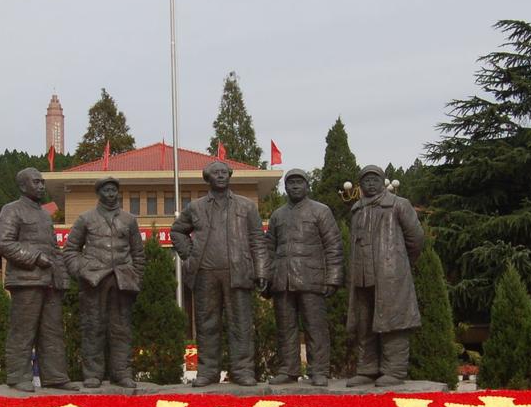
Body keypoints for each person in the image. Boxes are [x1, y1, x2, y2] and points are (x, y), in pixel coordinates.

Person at [170, 160, 269, 386]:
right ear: (208, 178)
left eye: (225, 172)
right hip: (206, 273)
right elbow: (177, 231)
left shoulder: (246, 206)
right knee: (206, 324)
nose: (221, 176)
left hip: (239, 272)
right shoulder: (195, 207)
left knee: (241, 324)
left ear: (230, 176)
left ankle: (242, 370)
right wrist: (190, 255)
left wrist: (261, 269)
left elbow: (257, 241)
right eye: (216, 173)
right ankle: (207, 371)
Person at [0, 167, 77, 393]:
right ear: (23, 186)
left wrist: (61, 277)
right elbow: (4, 243)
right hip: (26, 280)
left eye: (42, 182)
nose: (41, 186)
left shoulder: (43, 214)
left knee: (52, 330)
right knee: (23, 330)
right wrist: (35, 257)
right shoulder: (11, 210)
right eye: (36, 182)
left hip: (49, 280)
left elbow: (53, 247)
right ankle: (18, 376)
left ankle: (55, 376)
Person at [345, 166, 425, 388]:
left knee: (393, 321)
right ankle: (367, 369)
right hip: (362, 275)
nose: (370, 183)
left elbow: (416, 239)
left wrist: (398, 263)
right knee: (364, 322)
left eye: (374, 179)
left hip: (390, 274)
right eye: (366, 180)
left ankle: (395, 370)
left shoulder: (399, 205)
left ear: (382, 181)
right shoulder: (356, 209)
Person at [63, 176, 145, 389]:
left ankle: (122, 372)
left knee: (122, 329)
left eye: (114, 190)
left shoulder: (129, 219)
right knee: (93, 327)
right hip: (93, 281)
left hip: (122, 281)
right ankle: (93, 373)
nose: (111, 194)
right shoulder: (85, 218)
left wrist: (136, 277)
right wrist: (81, 271)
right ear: (98, 193)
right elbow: (70, 250)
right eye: (106, 190)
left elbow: (138, 253)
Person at [265, 168, 343, 386]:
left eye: (300, 182)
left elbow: (333, 246)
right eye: (291, 183)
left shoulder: (321, 211)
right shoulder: (277, 215)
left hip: (312, 278)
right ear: (285, 187)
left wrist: (333, 277)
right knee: (285, 327)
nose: (295, 186)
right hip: (283, 280)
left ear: (308, 186)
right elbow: (269, 249)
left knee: (315, 326)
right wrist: (267, 278)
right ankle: (288, 369)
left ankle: (319, 370)